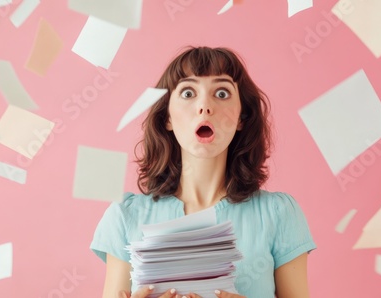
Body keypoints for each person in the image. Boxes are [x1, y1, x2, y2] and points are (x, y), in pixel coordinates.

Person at [90, 46, 317, 298]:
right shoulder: (125, 216)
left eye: (221, 93)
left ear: (242, 117)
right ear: (167, 117)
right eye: (188, 93)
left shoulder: (279, 214)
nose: (204, 106)